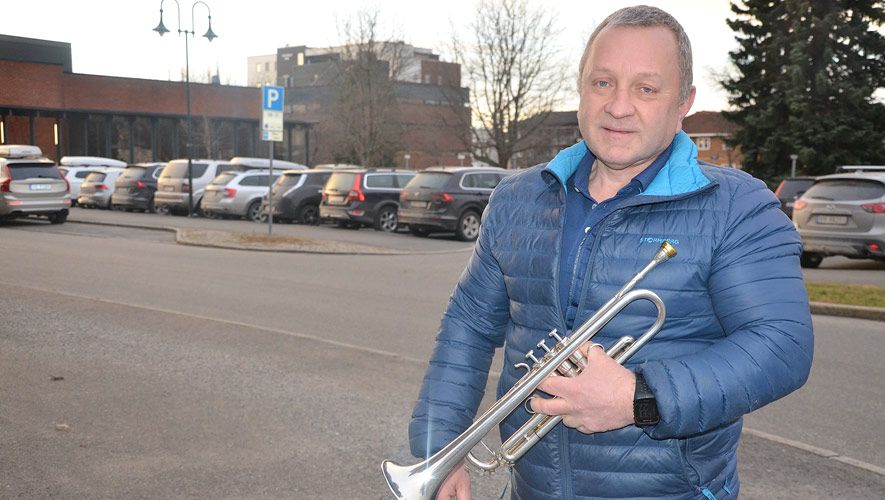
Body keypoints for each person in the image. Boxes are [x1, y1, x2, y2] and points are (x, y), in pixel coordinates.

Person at [408, 4, 814, 500]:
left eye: (646, 88)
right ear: (581, 88)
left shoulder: (737, 206)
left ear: (683, 102)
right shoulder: (517, 198)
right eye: (603, 83)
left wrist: (638, 398)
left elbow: (782, 345)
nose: (619, 106)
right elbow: (468, 326)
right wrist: (441, 448)